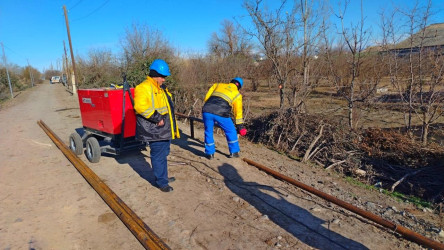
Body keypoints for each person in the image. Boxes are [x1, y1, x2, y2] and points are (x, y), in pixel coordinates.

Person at [134, 59, 180, 192]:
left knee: (164, 153)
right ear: (155, 74)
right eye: (162, 77)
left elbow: (168, 107)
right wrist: (157, 118)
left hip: (163, 128)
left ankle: (162, 176)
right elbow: (140, 106)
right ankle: (162, 182)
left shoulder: (160, 89)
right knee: (159, 155)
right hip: (154, 129)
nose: (164, 80)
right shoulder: (143, 87)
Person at [202, 77, 247, 159]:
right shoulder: (237, 94)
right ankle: (234, 152)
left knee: (208, 131)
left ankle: (210, 154)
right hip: (221, 113)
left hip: (207, 110)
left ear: (231, 82)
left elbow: (206, 97)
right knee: (231, 131)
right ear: (239, 87)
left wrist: (210, 108)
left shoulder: (218, 85)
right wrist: (240, 126)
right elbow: (238, 112)